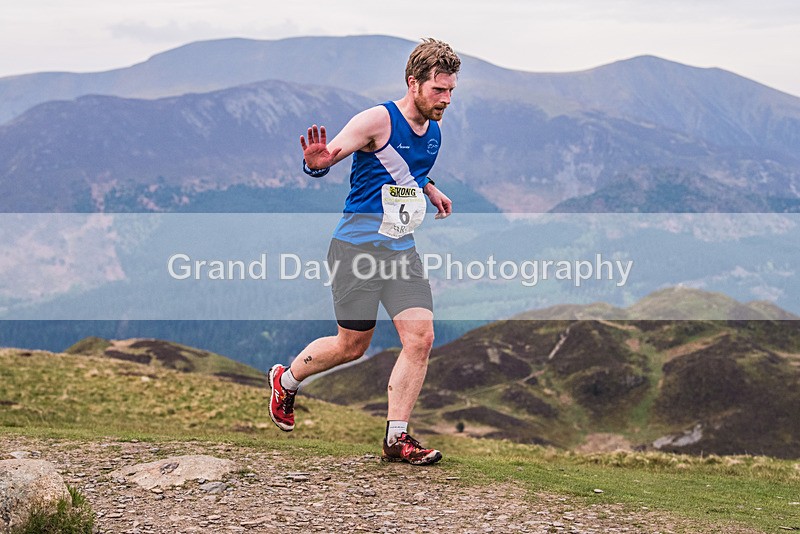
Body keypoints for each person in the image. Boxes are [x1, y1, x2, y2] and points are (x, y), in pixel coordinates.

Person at [268, 38, 461, 466]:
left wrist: (430, 189)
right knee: (352, 346)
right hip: (356, 248)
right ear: (414, 83)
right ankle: (287, 379)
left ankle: (397, 438)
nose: (446, 100)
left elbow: (409, 171)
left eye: (450, 91)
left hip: (400, 248)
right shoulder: (377, 119)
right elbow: (328, 156)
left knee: (421, 338)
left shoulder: (434, 132)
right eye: (438, 90)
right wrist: (316, 163)